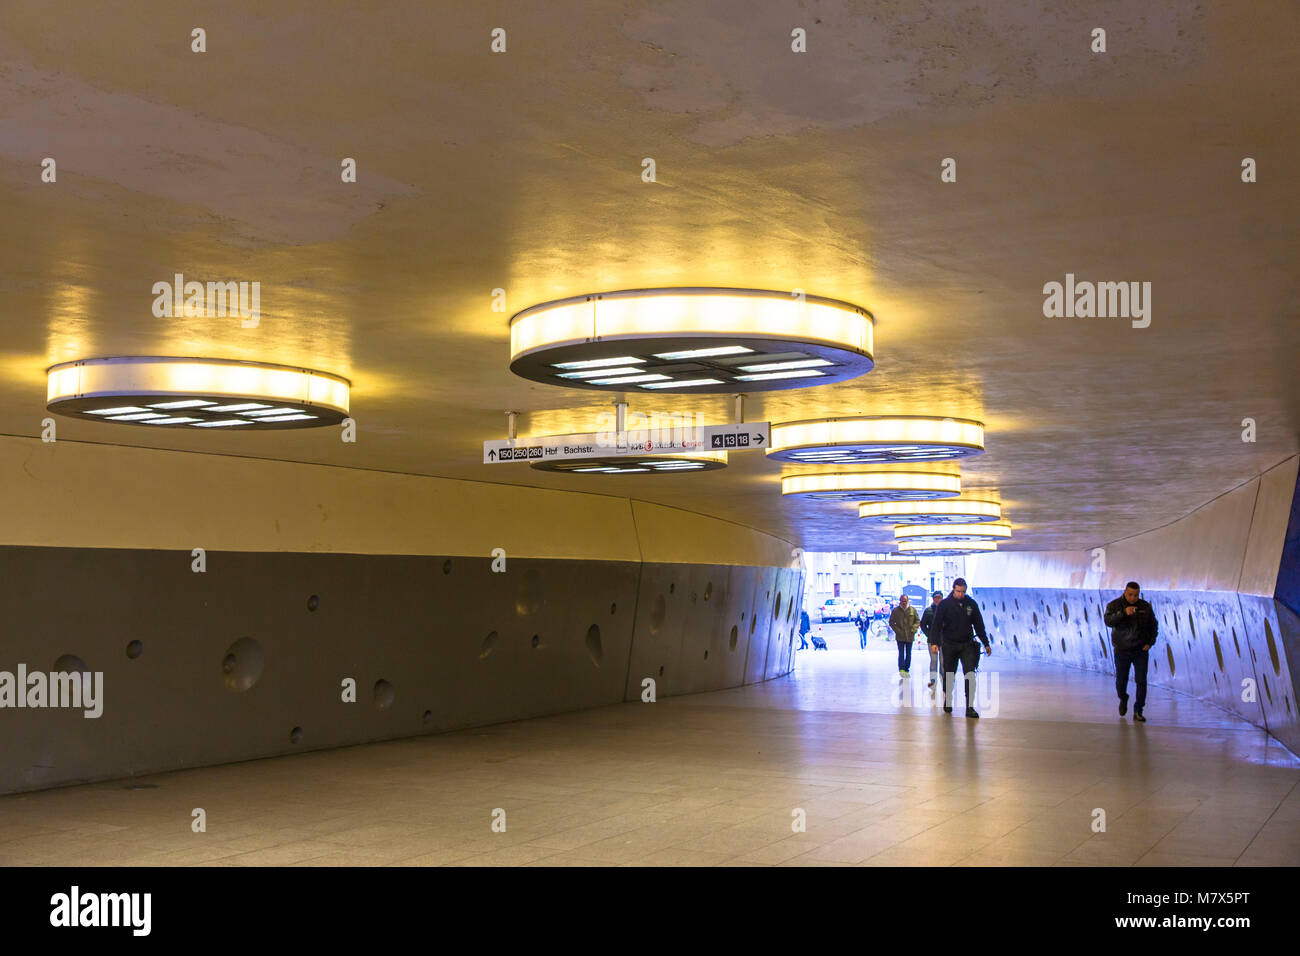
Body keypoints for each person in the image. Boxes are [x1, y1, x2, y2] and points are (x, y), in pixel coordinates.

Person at [932, 578, 991, 717]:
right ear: (953, 589)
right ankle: (948, 699)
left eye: (963, 591)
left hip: (967, 645)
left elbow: (979, 625)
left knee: (970, 674)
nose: (960, 594)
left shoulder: (971, 604)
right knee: (949, 674)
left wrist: (986, 643)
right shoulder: (944, 605)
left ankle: (969, 707)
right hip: (949, 644)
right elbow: (936, 625)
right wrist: (935, 642)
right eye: (958, 591)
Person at [1104, 581, 1158, 722]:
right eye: (1130, 595)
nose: (1133, 598)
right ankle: (1123, 697)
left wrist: (1150, 643)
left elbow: (1153, 625)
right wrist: (1123, 613)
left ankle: (1138, 710)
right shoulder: (1114, 605)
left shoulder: (1145, 607)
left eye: (1136, 595)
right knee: (1121, 681)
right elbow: (1108, 621)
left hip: (1140, 650)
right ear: (1125, 592)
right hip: (1122, 650)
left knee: (1141, 681)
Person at [889, 594, 920, 676]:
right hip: (900, 636)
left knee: (908, 653)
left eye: (905, 601)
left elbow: (917, 621)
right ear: (900, 601)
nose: (904, 603)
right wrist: (897, 631)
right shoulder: (896, 611)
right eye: (902, 601)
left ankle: (907, 669)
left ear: (908, 601)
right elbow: (891, 622)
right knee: (901, 653)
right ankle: (901, 669)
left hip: (910, 636)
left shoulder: (912, 610)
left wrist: (914, 629)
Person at [919, 591, 943, 689]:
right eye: (936, 598)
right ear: (933, 599)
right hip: (932, 641)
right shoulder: (928, 611)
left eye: (939, 598)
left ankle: (943, 680)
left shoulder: (945, 610)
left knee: (943, 662)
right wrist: (929, 634)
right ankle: (933, 681)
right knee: (933, 661)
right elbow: (923, 624)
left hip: (944, 641)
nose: (937, 600)